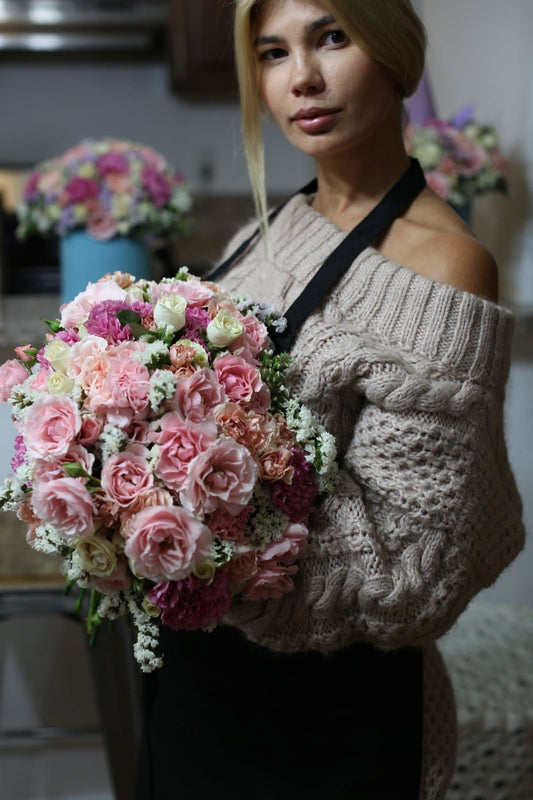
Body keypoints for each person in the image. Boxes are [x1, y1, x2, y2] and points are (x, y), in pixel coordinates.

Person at [135, 2, 525, 798]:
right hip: (198, 691)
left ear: (393, 53)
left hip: (321, 728)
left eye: (331, 38)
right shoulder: (276, 225)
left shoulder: (445, 267)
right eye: (273, 53)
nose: (301, 79)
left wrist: (193, 555)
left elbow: (406, 570)